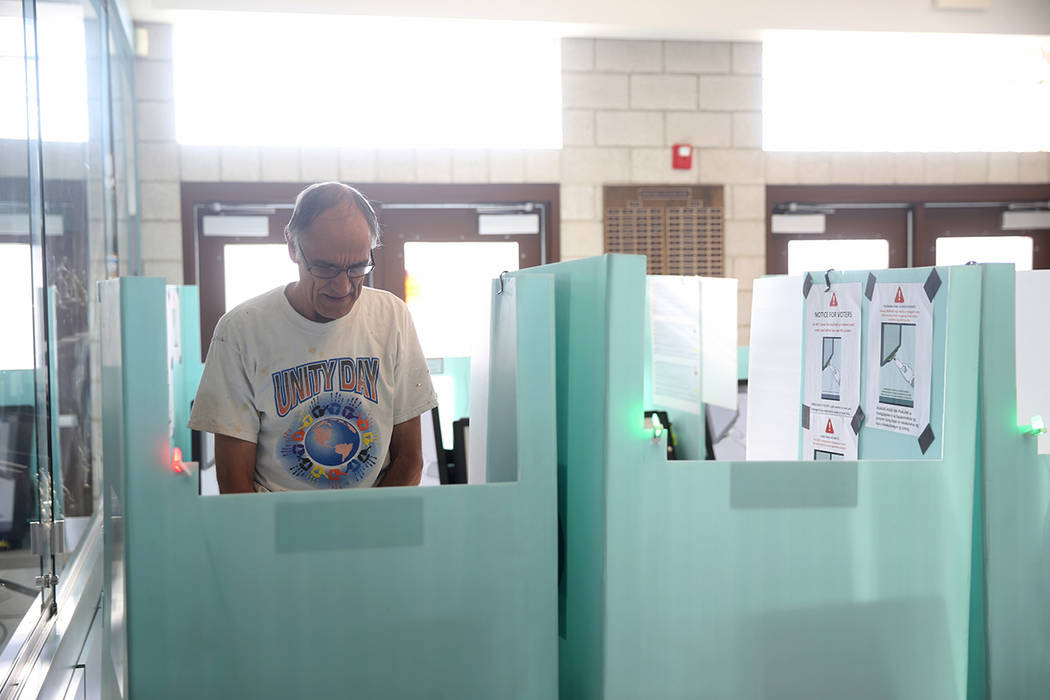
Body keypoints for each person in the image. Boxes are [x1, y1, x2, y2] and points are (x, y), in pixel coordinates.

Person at [188, 182, 437, 492]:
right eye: (325, 268)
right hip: (280, 532)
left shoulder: (392, 317)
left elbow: (411, 459)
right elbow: (233, 481)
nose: (343, 287)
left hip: (373, 529)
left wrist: (370, 528)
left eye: (358, 268)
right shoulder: (241, 330)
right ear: (292, 247)